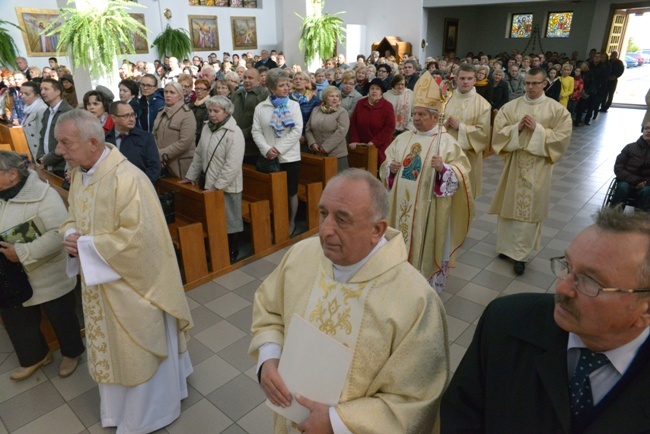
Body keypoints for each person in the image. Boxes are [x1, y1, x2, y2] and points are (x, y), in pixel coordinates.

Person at [249, 168, 449, 433]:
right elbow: (270, 310)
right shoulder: (301, 255)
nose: (325, 230)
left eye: (342, 219)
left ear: (376, 230)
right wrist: (268, 359)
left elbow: (414, 399)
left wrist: (336, 423)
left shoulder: (416, 300)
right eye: (323, 213)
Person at [441, 208, 650, 433]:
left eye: (590, 281)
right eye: (567, 266)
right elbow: (460, 414)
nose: (561, 288)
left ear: (644, 311)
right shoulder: (505, 322)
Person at [56, 109, 193, 433]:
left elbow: (141, 240)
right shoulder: (80, 173)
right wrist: (69, 235)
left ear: (92, 143)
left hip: (134, 288)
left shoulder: (128, 179)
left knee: (137, 351)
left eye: (65, 143)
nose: (60, 150)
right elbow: (72, 216)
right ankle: (118, 413)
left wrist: (86, 246)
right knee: (113, 352)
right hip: (99, 286)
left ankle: (149, 415)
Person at [380, 71, 473, 292]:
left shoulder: (446, 142)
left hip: (427, 211)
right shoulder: (403, 138)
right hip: (400, 207)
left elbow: (462, 174)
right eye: (415, 114)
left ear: (434, 116)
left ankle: (422, 285)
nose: (417, 118)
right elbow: (386, 167)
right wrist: (390, 168)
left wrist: (445, 169)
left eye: (422, 114)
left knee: (425, 245)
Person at [0, 151, 85, 381]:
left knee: (62, 316)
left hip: (48, 272)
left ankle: (72, 353)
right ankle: (35, 356)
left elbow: (59, 235)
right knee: (18, 319)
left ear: (12, 175)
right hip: (11, 276)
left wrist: (22, 252)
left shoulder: (43, 194)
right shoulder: (1, 193)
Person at [488, 67, 573, 275]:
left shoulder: (557, 110)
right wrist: (516, 128)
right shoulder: (512, 106)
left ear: (545, 83)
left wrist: (539, 130)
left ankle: (521, 256)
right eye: (527, 83)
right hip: (515, 164)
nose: (530, 87)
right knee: (509, 208)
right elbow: (498, 132)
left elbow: (562, 137)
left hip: (538, 166)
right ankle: (506, 248)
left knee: (528, 212)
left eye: (535, 83)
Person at [182, 96, 245, 262]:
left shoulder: (234, 132)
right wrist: (191, 176)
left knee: (230, 220)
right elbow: (199, 154)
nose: (211, 114)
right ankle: (217, 249)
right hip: (210, 182)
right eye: (210, 110)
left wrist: (218, 187)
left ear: (226, 112)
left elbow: (233, 165)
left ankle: (233, 250)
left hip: (228, 185)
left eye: (216, 111)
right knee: (215, 218)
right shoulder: (207, 128)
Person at [252, 68, 302, 235]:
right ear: (272, 88)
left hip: (289, 157)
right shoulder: (261, 107)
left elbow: (297, 131)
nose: (286, 88)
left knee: (290, 192)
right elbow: (256, 131)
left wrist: (278, 149)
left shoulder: (293, 105)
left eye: (287, 84)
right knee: (273, 193)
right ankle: (275, 222)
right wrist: (267, 150)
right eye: (282, 85)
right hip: (268, 157)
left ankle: (291, 222)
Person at [444, 64, 491, 198]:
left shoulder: (483, 105)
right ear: (456, 79)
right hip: (445, 155)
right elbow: (434, 122)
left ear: (475, 81)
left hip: (468, 158)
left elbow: (484, 135)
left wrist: (461, 128)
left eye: (469, 78)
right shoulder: (446, 99)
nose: (465, 81)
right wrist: (444, 126)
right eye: (462, 78)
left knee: (463, 198)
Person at [105, 101, 161, 184]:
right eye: (126, 116)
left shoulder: (146, 138)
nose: (131, 119)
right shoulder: (105, 140)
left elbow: (154, 168)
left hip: (140, 188)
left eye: (133, 114)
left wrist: (139, 185)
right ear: (114, 118)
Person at [152, 82, 197, 179]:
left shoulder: (187, 114)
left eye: (172, 93)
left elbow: (185, 142)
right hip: (161, 163)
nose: (168, 95)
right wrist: (158, 154)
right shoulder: (161, 112)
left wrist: (162, 155)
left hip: (180, 163)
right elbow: (154, 135)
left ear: (180, 96)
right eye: (166, 92)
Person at [349, 78, 396, 168]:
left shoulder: (387, 106)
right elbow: (353, 123)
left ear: (381, 92)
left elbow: (390, 127)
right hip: (361, 146)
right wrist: (355, 139)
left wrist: (375, 142)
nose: (374, 91)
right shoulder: (360, 103)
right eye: (372, 88)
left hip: (380, 147)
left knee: (378, 172)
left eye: (377, 89)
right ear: (369, 90)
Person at [305, 85, 350, 173]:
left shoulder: (342, 112)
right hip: (317, 153)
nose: (335, 98)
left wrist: (325, 147)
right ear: (325, 98)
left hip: (337, 155)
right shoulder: (316, 110)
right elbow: (308, 128)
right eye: (331, 96)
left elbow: (341, 132)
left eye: (337, 96)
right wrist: (312, 143)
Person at [37, 78, 74, 178]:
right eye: (41, 89)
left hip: (61, 166)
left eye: (46, 89)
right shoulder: (47, 112)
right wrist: (40, 156)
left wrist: (48, 158)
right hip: (48, 164)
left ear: (57, 92)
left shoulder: (67, 112)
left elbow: (68, 142)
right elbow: (42, 136)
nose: (42, 92)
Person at [232, 68, 270, 164]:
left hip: (253, 146)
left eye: (250, 78)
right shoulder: (237, 94)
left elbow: (262, 121)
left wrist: (243, 133)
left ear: (258, 80)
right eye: (245, 77)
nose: (247, 80)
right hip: (235, 142)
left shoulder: (264, 95)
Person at [609, 122, 650, 211]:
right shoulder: (630, 147)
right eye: (646, 128)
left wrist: (645, 182)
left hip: (647, 184)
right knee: (623, 188)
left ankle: (641, 220)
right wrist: (636, 181)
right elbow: (619, 167)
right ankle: (613, 217)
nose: (648, 131)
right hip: (628, 180)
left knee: (646, 191)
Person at [19, 81, 48, 159]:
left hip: (40, 153)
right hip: (31, 151)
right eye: (21, 93)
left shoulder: (41, 109)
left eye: (27, 94)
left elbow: (43, 135)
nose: (23, 96)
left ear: (37, 95)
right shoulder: (28, 108)